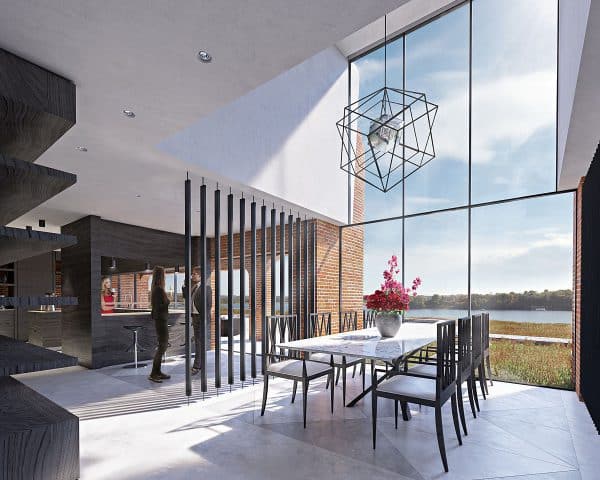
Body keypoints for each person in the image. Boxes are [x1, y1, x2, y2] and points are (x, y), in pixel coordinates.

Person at [149, 266, 171, 383]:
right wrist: (167, 302)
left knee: (163, 346)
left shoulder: (156, 289)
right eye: (164, 275)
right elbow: (158, 307)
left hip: (160, 320)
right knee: (162, 346)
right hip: (161, 321)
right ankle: (153, 373)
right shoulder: (158, 289)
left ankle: (158, 372)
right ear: (161, 276)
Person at [189, 268, 212, 375]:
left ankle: (197, 366)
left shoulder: (206, 288)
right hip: (195, 317)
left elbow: (208, 306)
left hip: (201, 318)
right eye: (192, 274)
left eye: (195, 274)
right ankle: (200, 365)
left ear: (201, 276)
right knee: (199, 342)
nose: (192, 276)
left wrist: (203, 319)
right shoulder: (194, 287)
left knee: (199, 342)